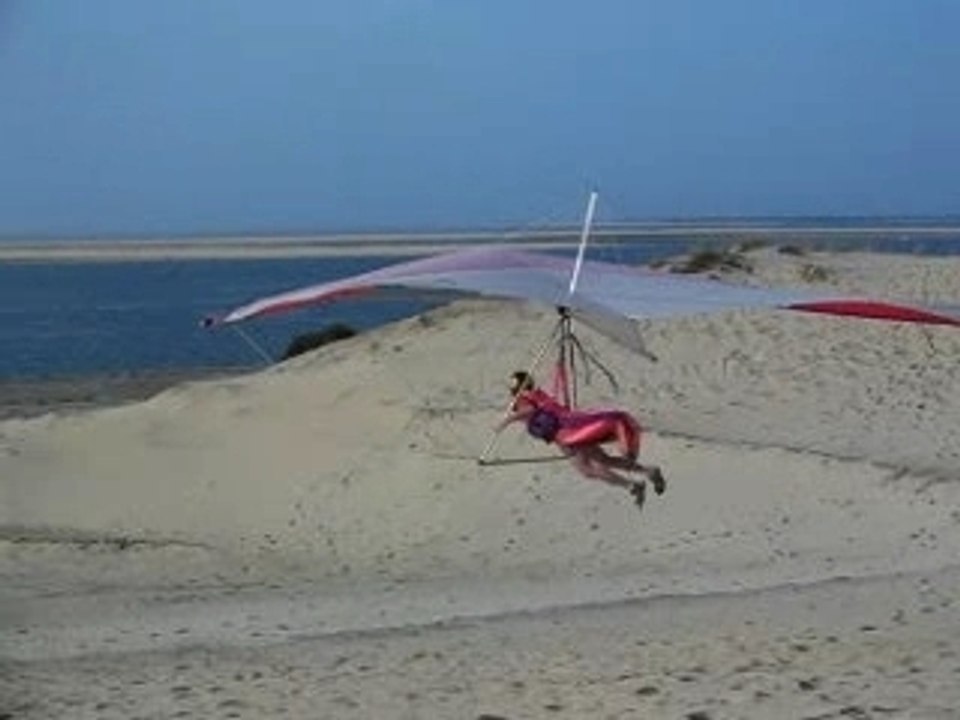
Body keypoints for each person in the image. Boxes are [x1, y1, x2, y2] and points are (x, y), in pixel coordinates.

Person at [497, 370, 666, 508]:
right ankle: (649, 472)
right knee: (604, 460)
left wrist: (507, 421)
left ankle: (633, 486)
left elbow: (529, 412)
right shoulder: (538, 394)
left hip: (567, 435)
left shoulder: (523, 399)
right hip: (572, 428)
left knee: (588, 469)